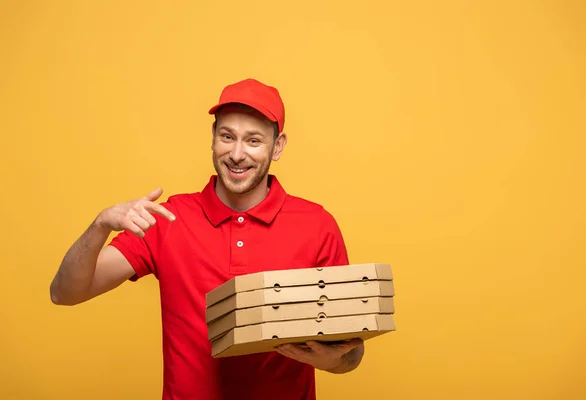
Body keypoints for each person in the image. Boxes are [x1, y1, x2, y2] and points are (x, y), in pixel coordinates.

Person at [50, 78, 365, 399]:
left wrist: (332, 360)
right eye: (227, 136)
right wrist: (100, 224)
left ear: (278, 145)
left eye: (254, 141)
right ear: (213, 138)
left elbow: (351, 353)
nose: (237, 154)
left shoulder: (317, 225)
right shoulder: (168, 218)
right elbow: (65, 293)